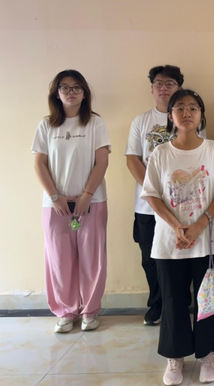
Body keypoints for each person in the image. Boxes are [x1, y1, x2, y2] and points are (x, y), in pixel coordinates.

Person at [141, 89, 214, 385]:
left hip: (207, 240)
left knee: (207, 299)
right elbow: (152, 195)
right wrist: (176, 227)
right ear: (170, 116)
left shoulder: (213, 149)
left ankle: (207, 353)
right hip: (169, 242)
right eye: (179, 108)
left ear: (201, 115)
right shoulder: (160, 153)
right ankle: (175, 357)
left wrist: (200, 224)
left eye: (193, 108)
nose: (186, 113)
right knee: (173, 300)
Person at [32, 69, 111, 333]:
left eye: (77, 87)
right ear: (56, 93)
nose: (71, 92)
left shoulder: (95, 123)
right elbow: (39, 164)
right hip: (55, 205)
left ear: (85, 93)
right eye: (65, 87)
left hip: (92, 202)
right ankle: (66, 311)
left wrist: (87, 196)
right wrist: (55, 197)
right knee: (59, 260)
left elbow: (102, 162)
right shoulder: (46, 125)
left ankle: (89, 311)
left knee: (92, 259)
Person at [125, 65, 184, 326]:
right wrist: (153, 190)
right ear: (152, 89)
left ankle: (179, 304)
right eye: (159, 83)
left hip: (181, 204)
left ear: (179, 88)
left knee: (179, 256)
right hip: (147, 206)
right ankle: (157, 305)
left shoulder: (191, 117)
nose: (164, 88)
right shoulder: (141, 121)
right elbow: (132, 159)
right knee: (150, 258)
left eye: (170, 83)